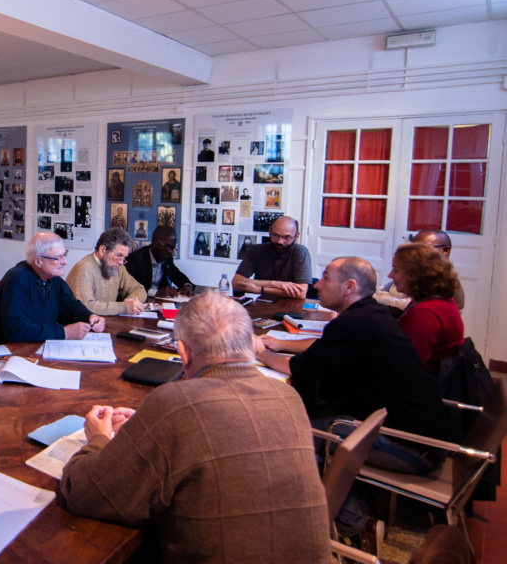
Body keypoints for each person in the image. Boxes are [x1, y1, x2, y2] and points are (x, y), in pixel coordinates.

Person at [58, 292, 331, 563]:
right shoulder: (288, 397)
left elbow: (82, 492)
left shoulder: (173, 403)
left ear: (183, 353)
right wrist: (149, 425)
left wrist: (99, 439)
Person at [255, 257, 449, 538]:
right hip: (417, 435)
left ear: (349, 287)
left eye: (325, 278)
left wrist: (258, 352)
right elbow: (323, 352)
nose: (317, 285)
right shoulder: (371, 314)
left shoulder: (353, 324)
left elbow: (299, 369)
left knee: (288, 436)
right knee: (314, 417)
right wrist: (280, 347)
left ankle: (352, 524)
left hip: (412, 448)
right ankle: (349, 507)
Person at [0, 232, 105, 343]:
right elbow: (16, 329)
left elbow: (70, 307)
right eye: (57, 258)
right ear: (37, 261)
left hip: (36, 347)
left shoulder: (53, 278)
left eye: (64, 255)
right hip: (6, 353)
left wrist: (90, 317)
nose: (64, 262)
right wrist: (64, 333)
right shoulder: (16, 279)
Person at [389, 243, 465, 373]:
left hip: (419, 387)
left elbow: (408, 366)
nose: (390, 275)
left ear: (414, 274)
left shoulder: (427, 312)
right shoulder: (440, 300)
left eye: (396, 270)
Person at [374, 230, 465, 311]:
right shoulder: (414, 275)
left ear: (445, 250)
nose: (413, 254)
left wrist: (384, 298)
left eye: (422, 249)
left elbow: (407, 306)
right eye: (412, 248)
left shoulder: (444, 283)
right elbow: (377, 292)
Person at [65, 228, 147, 316]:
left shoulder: (118, 267)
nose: (121, 262)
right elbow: (85, 306)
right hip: (81, 326)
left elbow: (139, 289)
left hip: (104, 322)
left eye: (124, 258)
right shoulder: (84, 269)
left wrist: (132, 301)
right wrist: (124, 307)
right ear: (102, 250)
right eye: (118, 255)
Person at [232, 215, 312, 298]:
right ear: (269, 231)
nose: (280, 241)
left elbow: (301, 293)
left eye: (286, 237)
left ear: (296, 237)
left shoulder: (300, 251)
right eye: (275, 235)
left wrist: (260, 289)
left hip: (290, 305)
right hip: (263, 304)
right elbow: (236, 283)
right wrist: (275, 284)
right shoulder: (256, 250)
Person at [126, 225, 194, 296]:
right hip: (140, 301)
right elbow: (128, 287)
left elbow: (176, 274)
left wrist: (187, 285)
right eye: (167, 246)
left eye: (172, 248)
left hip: (161, 302)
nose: (169, 251)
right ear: (154, 241)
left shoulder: (167, 258)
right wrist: (156, 293)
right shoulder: (135, 258)